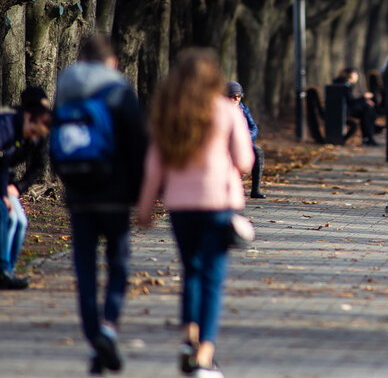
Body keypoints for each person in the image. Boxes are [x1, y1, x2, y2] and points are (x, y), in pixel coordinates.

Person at [136, 49, 253, 378]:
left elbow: (154, 165)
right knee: (213, 278)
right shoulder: (226, 110)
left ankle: (189, 334)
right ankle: (204, 355)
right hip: (218, 204)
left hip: (180, 205)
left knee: (191, 270)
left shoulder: (169, 112)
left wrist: (145, 208)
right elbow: (245, 161)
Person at [54, 35, 148, 373]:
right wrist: (141, 197)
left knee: (84, 269)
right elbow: (137, 145)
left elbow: (58, 137)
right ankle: (109, 327)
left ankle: (95, 338)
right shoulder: (120, 90)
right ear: (112, 62)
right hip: (115, 194)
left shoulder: (66, 85)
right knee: (118, 265)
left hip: (79, 194)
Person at [0, 87, 52, 290]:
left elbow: (38, 166)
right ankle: (3, 270)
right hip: (3, 182)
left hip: (7, 182)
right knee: (7, 216)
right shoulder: (8, 124)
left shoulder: (40, 131)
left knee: (20, 221)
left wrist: (17, 188)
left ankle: (8, 270)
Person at [226, 81, 267, 198]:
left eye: (238, 96)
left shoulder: (244, 109)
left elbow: (254, 127)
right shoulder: (220, 110)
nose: (236, 99)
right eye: (232, 96)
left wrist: (247, 139)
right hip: (226, 144)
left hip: (244, 143)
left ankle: (256, 189)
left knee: (258, 152)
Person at [332, 68, 379, 146]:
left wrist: (364, 101)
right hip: (344, 111)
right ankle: (369, 135)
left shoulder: (343, 83)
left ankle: (369, 134)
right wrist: (364, 98)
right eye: (355, 74)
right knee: (367, 110)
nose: (357, 77)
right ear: (351, 75)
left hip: (343, 109)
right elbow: (351, 101)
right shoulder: (345, 84)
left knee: (367, 109)